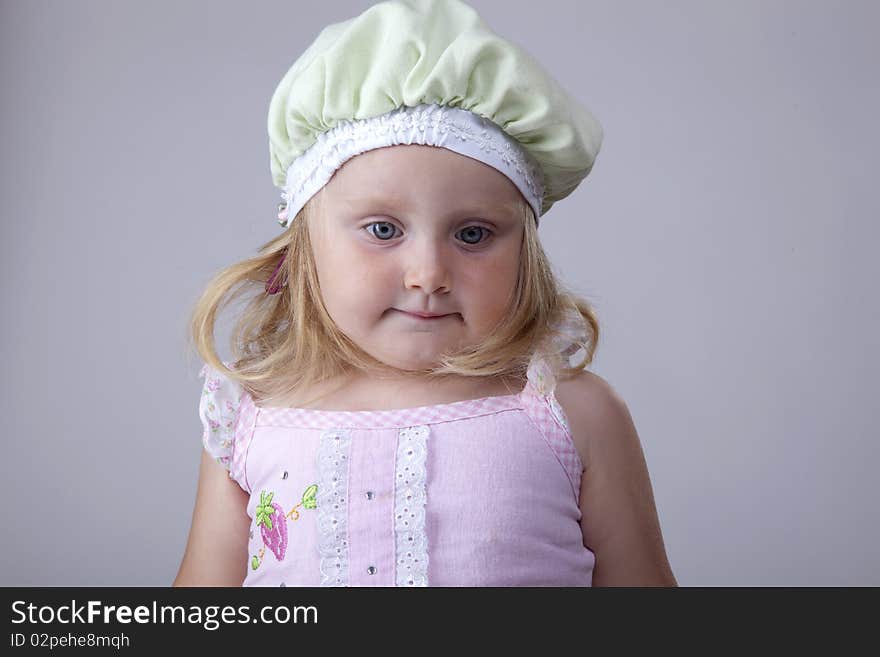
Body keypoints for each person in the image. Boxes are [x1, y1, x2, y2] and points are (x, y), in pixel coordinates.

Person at [174, 0, 676, 587]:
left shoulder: (571, 412)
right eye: (383, 230)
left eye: (472, 234)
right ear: (306, 242)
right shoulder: (252, 414)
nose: (428, 273)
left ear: (525, 252)